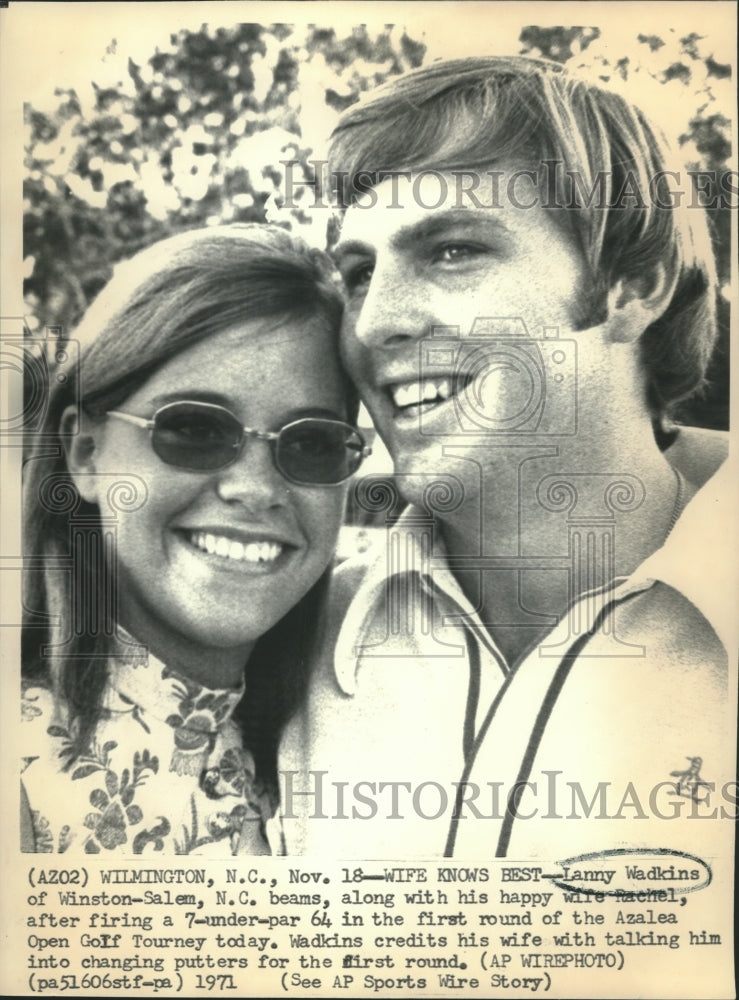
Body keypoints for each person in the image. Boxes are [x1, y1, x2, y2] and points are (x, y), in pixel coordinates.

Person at [279, 57, 734, 858]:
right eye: (357, 273)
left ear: (634, 288)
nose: (375, 322)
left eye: (451, 250)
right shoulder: (283, 640)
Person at [20, 224, 369, 855]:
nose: (256, 488)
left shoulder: (334, 753)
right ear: (86, 452)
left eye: (312, 443)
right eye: (195, 429)